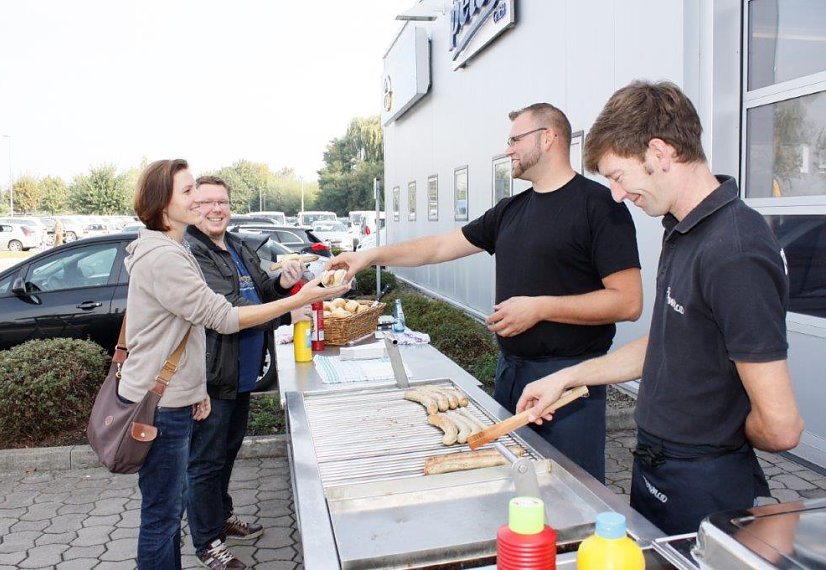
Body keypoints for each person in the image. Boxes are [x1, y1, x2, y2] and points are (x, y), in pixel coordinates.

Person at [516, 81, 804, 535]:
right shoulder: (684, 229)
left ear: (660, 152)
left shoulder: (735, 250)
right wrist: (566, 378)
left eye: (618, 176)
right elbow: (669, 342)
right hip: (656, 467)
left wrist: (720, 435)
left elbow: (782, 427)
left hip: (704, 485)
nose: (616, 194)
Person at [327, 103, 642, 481]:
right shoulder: (510, 210)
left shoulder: (599, 205)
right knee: (512, 484)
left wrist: (540, 308)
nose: (508, 150)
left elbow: (628, 301)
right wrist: (370, 256)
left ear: (547, 138)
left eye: (515, 140)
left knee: (571, 492)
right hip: (510, 374)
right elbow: (438, 247)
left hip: (569, 385)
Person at [119, 159, 348, 570]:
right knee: (164, 514)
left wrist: (195, 390)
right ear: (162, 202)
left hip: (193, 389)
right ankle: (208, 542)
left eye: (216, 199)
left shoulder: (199, 247)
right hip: (162, 401)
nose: (203, 204)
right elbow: (222, 315)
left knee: (180, 498)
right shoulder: (170, 255)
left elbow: (192, 328)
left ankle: (215, 523)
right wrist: (298, 301)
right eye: (190, 192)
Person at [185, 176, 302, 569]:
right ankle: (207, 542)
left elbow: (262, 290)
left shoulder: (235, 245)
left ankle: (221, 516)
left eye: (222, 202)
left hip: (241, 374)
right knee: (205, 461)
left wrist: (283, 283)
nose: (216, 209)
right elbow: (229, 307)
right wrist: (291, 310)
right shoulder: (194, 253)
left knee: (227, 452)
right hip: (212, 376)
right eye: (206, 202)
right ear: (192, 207)